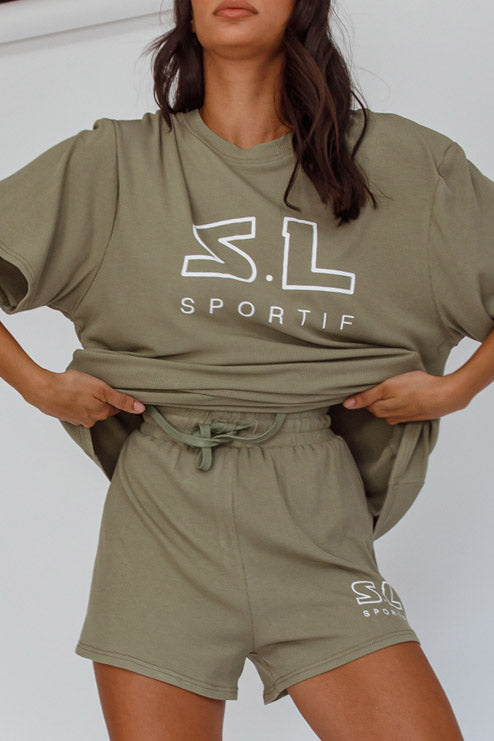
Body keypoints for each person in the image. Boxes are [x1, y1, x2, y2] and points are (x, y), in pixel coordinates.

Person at [2, 0, 492, 738]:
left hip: (314, 509)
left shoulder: (405, 163)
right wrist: (38, 386)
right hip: (160, 514)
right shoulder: (115, 163)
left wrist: (457, 389)